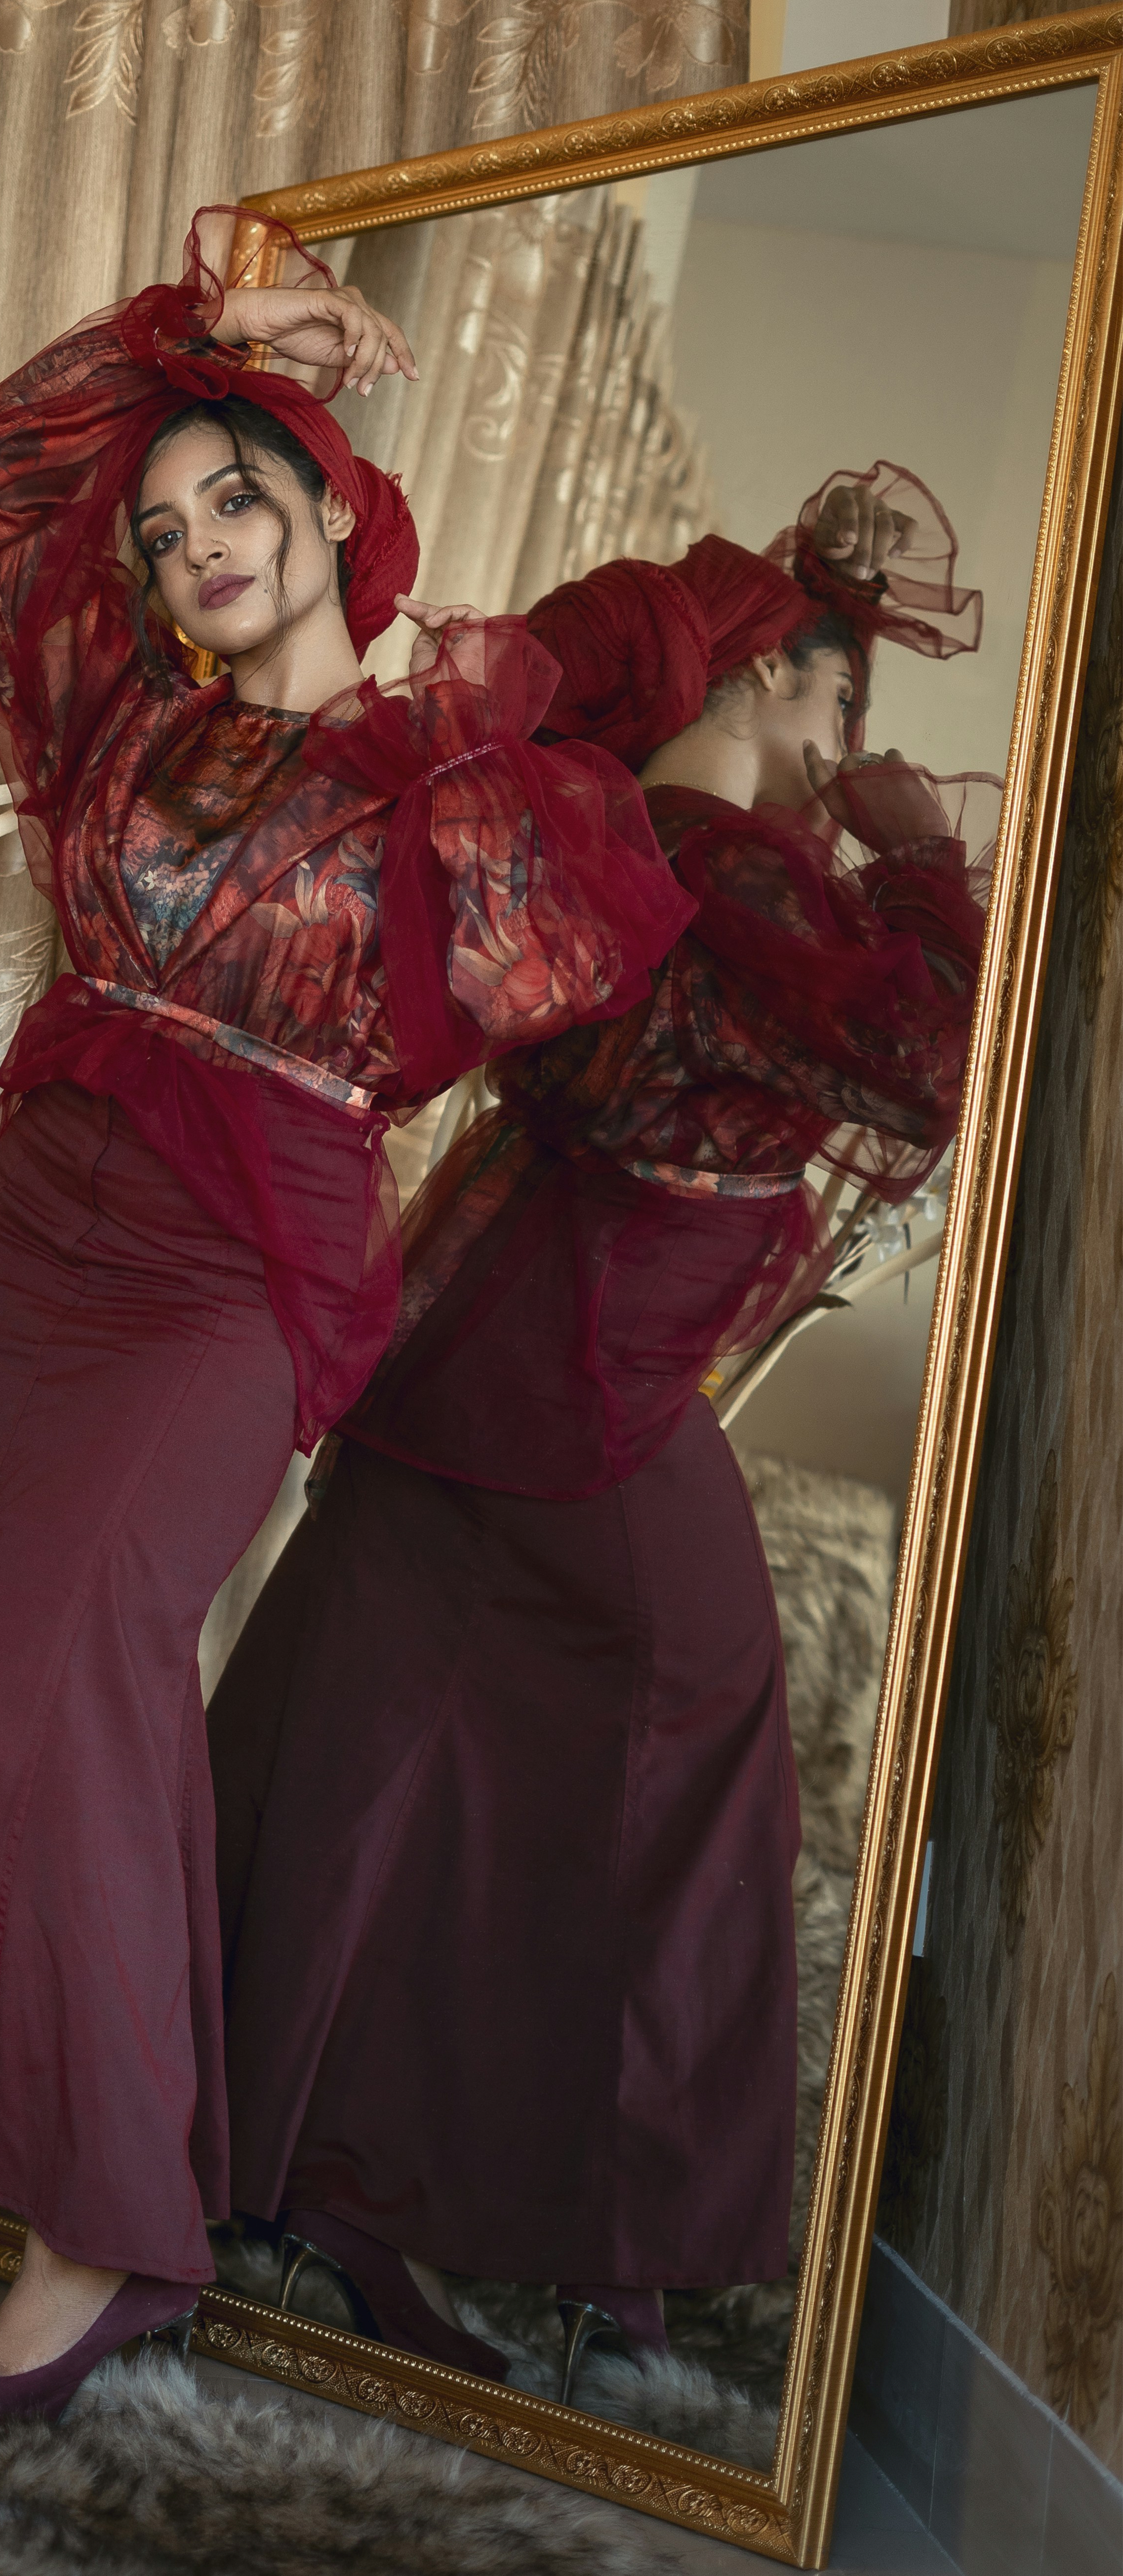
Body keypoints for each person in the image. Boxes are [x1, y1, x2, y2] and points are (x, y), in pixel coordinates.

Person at [0, 213, 692, 2422]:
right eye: (163, 527)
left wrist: (450, 716)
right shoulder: (123, 718)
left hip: (234, 1274)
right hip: (31, 1237)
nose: (192, 544)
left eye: (236, 489)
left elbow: (565, 977)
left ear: (334, 496)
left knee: (73, 1671)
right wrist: (194, 339)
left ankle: (105, 2240)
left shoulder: (460, 759)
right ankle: (99, 2194)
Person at [205, 467, 989, 2400]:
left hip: (511, 1350)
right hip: (569, 1376)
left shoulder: (628, 835)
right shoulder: (718, 861)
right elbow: (919, 1063)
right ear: (783, 679)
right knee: (656, 1720)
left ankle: (300, 2168)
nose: (846, 750)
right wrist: (918, 864)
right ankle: (583, 2251)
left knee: (352, 1730)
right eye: (841, 707)